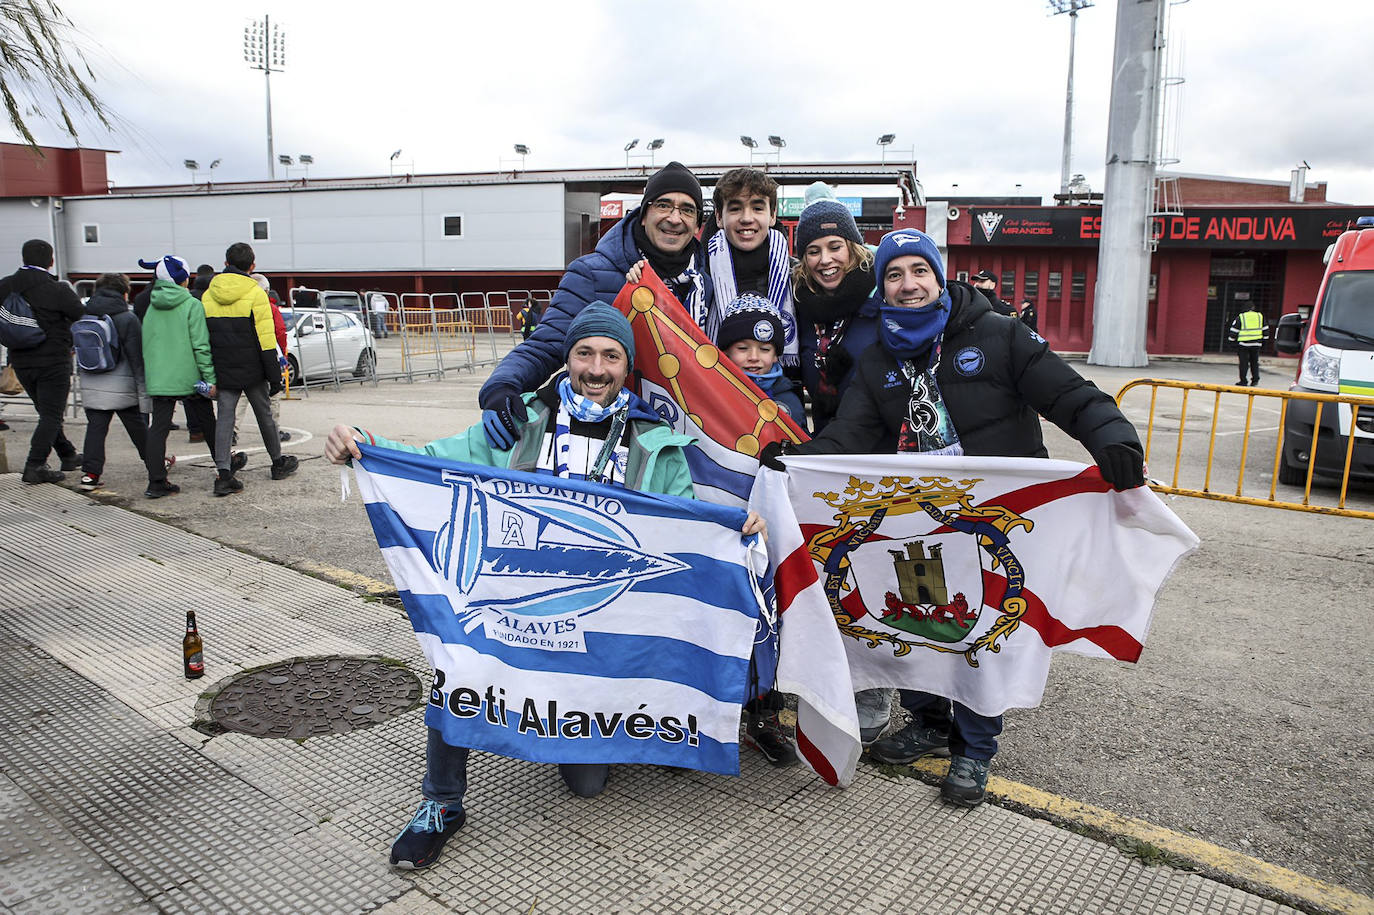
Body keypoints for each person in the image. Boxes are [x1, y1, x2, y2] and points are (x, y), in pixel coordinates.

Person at [326, 303, 765, 868]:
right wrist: (363, 441)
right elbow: (429, 462)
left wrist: (736, 529)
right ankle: (441, 803)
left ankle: (557, 720)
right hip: (513, 611)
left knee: (586, 784)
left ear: (627, 367)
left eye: (611, 355)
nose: (597, 367)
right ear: (568, 358)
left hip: (598, 622)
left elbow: (683, 521)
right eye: (585, 352)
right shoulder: (518, 423)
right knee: (458, 661)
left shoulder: (655, 444)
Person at [771, 229, 1146, 807]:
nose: (908, 284)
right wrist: (799, 459)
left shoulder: (999, 335)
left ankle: (974, 749)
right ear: (882, 287)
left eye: (919, 271)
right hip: (917, 519)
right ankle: (929, 722)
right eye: (895, 275)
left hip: (994, 521)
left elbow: (1071, 394)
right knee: (917, 620)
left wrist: (1113, 436)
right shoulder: (877, 361)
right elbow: (852, 434)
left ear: (939, 277)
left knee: (981, 630)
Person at [478, 161, 711, 450]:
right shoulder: (591, 274)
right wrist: (501, 386)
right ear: (643, 215)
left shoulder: (704, 285)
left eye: (687, 209)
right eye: (663, 205)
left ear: (698, 223)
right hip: (606, 438)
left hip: (683, 440)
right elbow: (546, 344)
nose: (675, 218)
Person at [201, 242, 297, 495]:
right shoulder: (256, 294)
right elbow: (266, 339)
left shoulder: (209, 295)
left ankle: (223, 473)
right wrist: (275, 377)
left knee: (225, 418)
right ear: (252, 266)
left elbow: (203, 337)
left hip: (223, 366)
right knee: (264, 415)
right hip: (253, 368)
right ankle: (277, 462)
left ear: (225, 264)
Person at [141, 254, 237, 498]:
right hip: (190, 376)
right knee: (208, 421)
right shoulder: (192, 305)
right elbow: (201, 346)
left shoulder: (151, 305)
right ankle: (224, 469)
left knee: (158, 428)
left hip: (159, 376)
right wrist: (210, 378)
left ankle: (156, 482)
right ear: (183, 279)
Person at [792, 182, 879, 433]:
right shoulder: (798, 305)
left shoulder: (883, 296)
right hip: (825, 447)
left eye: (835, 246)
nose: (825, 260)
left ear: (852, 247)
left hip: (877, 450)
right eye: (813, 251)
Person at [1, 239, 84, 484]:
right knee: (51, 415)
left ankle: (67, 454)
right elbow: (80, 315)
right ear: (51, 261)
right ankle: (35, 464)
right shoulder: (56, 289)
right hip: (53, 360)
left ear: (23, 258)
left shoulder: (5, 286)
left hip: (20, 360)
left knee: (46, 411)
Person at [703, 168, 796, 364]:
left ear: (772, 215)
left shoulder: (794, 275)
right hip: (713, 387)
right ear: (719, 217)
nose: (746, 218)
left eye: (757, 208)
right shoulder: (699, 274)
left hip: (779, 388)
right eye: (735, 208)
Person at [75, 273, 150, 491]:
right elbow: (137, 357)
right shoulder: (127, 318)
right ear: (125, 292)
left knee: (96, 428)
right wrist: (143, 387)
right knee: (138, 427)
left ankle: (90, 474)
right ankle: (155, 464)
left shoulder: (84, 315)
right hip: (122, 384)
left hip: (92, 381)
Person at [717, 293, 804, 430]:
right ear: (725, 352)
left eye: (764, 349)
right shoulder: (713, 394)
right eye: (743, 348)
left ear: (776, 355)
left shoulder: (789, 402)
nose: (754, 357)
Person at [235, 273, 289, 443]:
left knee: (242, 397)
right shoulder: (270, 308)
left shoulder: (239, 305)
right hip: (266, 356)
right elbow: (279, 332)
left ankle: (232, 431)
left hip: (243, 357)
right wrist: (282, 356)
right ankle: (274, 431)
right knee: (272, 396)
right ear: (266, 290)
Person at [1228, 303, 1267, 386]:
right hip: (1256, 344)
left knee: (1243, 363)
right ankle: (1255, 380)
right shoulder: (1260, 316)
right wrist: (1264, 341)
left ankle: (1243, 381)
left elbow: (1234, 331)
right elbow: (1265, 329)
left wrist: (1231, 342)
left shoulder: (1241, 317)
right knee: (1254, 362)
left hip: (1243, 344)